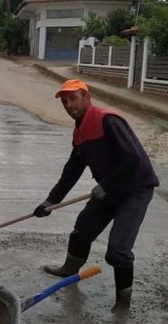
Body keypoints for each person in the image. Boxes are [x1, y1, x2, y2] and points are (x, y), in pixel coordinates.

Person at [33, 79, 159, 311]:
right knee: (82, 230)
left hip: (135, 189)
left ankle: (123, 302)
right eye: (64, 101)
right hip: (110, 189)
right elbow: (71, 171)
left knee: (118, 250)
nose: (69, 105)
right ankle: (69, 269)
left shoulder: (107, 119)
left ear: (87, 98)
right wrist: (50, 202)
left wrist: (107, 184)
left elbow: (133, 159)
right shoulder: (80, 132)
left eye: (73, 98)